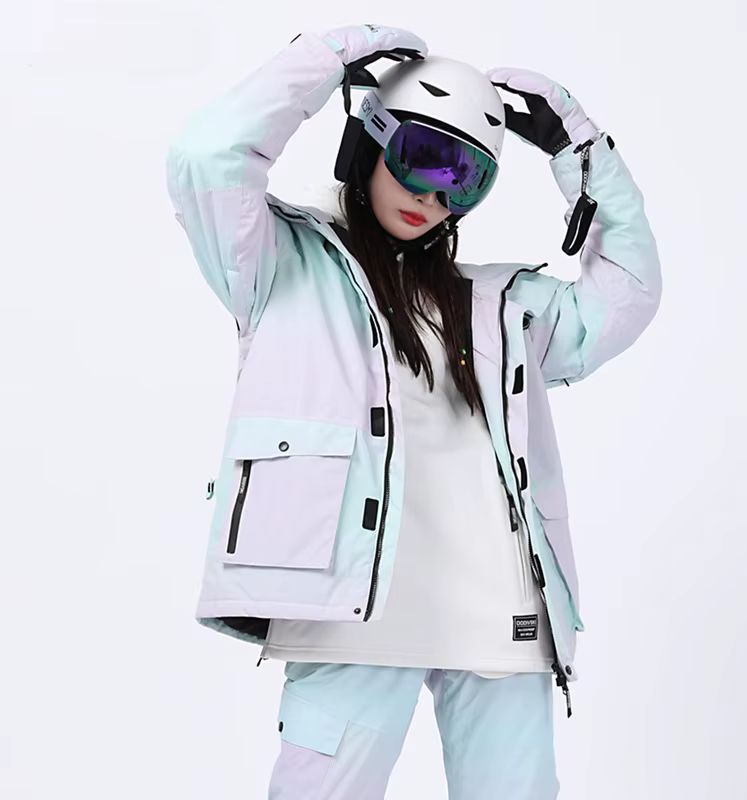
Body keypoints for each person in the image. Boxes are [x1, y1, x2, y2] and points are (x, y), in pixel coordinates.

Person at [165, 22, 661, 800]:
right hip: (351, 616)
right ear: (368, 142)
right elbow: (206, 157)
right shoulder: (279, 265)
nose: (434, 195)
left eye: (466, 180)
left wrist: (582, 152)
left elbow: (627, 295)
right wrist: (321, 61)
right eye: (423, 157)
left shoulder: (498, 305)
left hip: (500, 620)